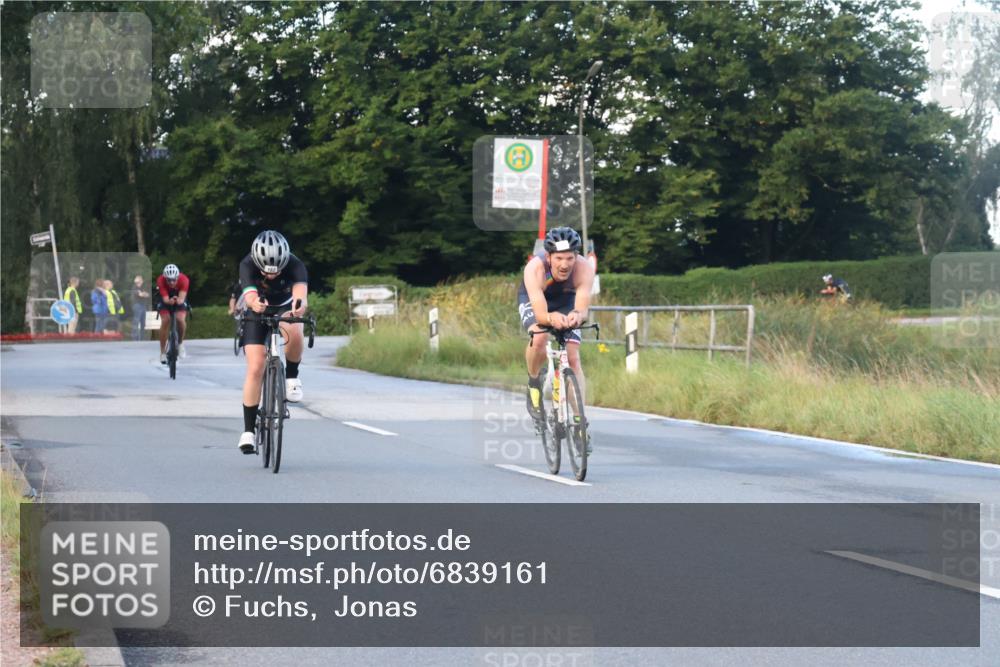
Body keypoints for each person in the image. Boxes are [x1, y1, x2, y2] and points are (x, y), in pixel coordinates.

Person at [518, 226, 595, 451]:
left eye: (570, 258)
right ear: (549, 256)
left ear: (576, 256)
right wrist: (552, 319)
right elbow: (541, 315)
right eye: (559, 258)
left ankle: (580, 424)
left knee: (573, 358)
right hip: (537, 301)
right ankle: (534, 382)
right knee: (540, 338)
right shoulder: (535, 269)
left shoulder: (584, 269)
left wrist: (575, 316)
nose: (564, 264)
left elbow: (582, 309)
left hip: (566, 301)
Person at [235, 230, 309, 454]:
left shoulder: (296, 265)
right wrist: (254, 303)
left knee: (294, 328)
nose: (273, 274)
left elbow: (300, 294)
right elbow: (249, 295)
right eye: (267, 270)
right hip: (258, 308)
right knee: (256, 366)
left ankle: (292, 377)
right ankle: (248, 431)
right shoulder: (247, 264)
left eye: (277, 270)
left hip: (286, 306)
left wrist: (299, 305)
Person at [156, 264, 190, 363]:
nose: (171, 282)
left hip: (179, 297)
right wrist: (169, 301)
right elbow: (165, 299)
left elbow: (181, 299)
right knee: (166, 320)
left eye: (174, 280)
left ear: (177, 277)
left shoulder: (184, 280)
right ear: (165, 278)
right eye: (169, 280)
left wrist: (178, 300)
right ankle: (162, 352)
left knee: (180, 319)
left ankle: (180, 344)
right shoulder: (161, 280)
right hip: (166, 299)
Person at [130, 275, 150, 341]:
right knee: (136, 322)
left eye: (140, 280)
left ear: (142, 281)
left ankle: (142, 339)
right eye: (137, 281)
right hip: (137, 306)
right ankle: (134, 339)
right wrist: (143, 294)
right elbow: (141, 294)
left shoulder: (143, 287)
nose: (139, 282)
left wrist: (144, 294)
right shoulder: (134, 287)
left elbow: (147, 295)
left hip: (143, 306)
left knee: (143, 323)